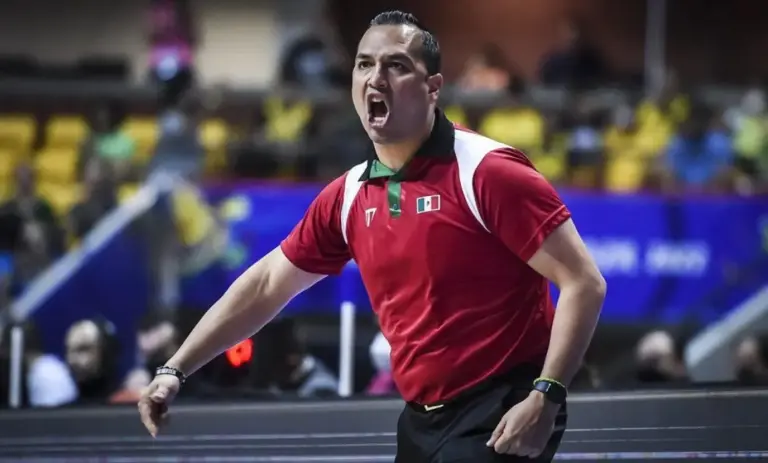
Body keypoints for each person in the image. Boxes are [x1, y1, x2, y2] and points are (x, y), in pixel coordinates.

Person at [137, 10, 606, 462]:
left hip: (502, 407)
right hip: (420, 421)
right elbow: (266, 285)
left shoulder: (487, 173)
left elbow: (584, 282)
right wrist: (176, 368)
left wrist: (546, 395)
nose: (375, 78)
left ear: (433, 88)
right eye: (364, 64)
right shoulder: (348, 196)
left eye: (396, 66)